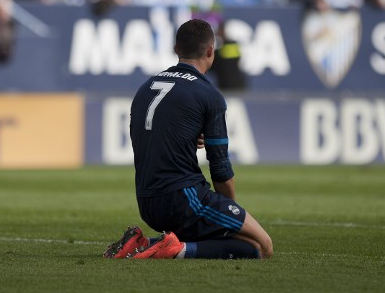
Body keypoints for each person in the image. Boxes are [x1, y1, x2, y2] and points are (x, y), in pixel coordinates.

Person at [104, 19, 272, 260]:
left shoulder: (146, 87)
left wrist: (184, 138)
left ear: (176, 49)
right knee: (260, 246)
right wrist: (227, 212)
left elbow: (144, 138)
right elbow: (220, 167)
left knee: (234, 239)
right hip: (183, 199)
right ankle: (177, 249)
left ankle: (142, 243)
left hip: (147, 201)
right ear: (211, 51)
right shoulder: (208, 94)